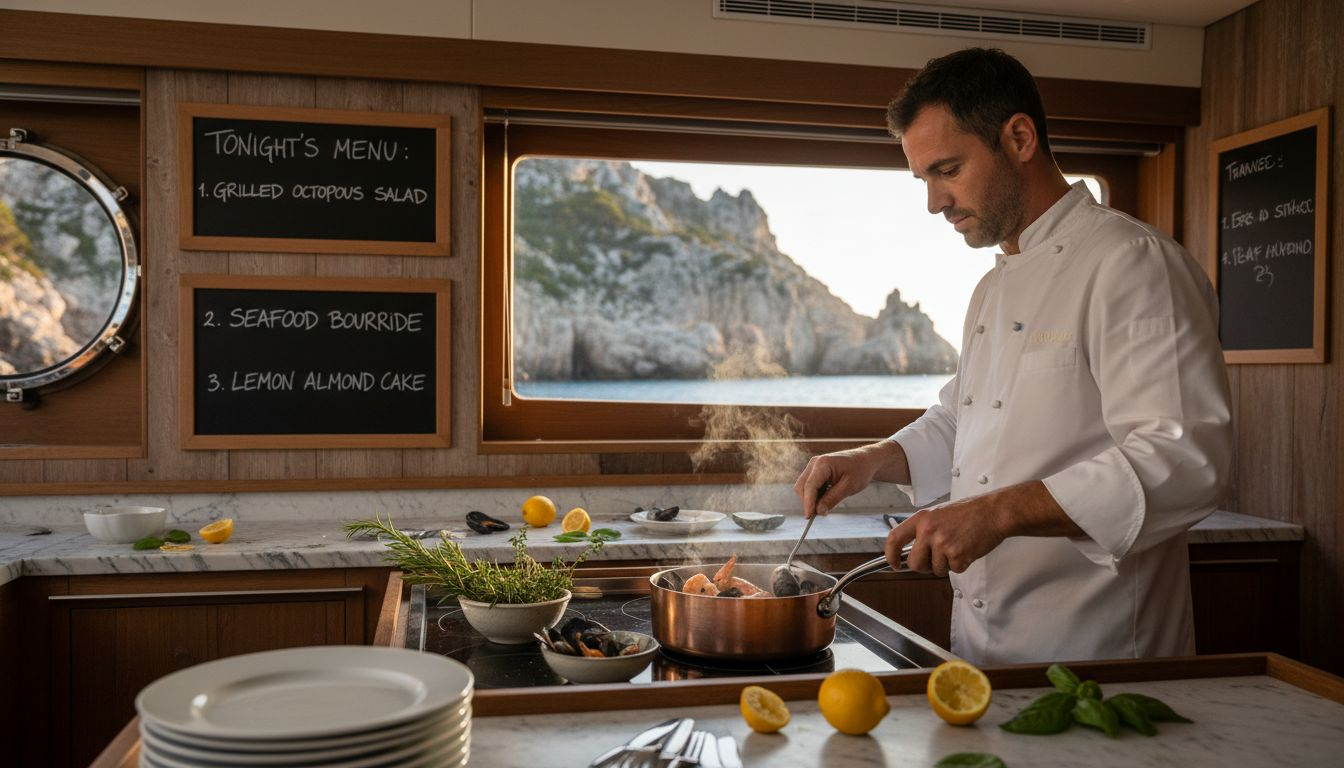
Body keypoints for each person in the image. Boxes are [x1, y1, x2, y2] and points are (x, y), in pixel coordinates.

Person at [794, 48, 1232, 665]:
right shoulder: (992, 288)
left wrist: (998, 513)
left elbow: (1184, 460)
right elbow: (965, 419)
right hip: (984, 647)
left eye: (947, 169)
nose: (934, 202)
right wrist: (873, 460)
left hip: (1100, 647)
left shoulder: (1132, 263)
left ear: (1019, 137)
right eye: (923, 178)